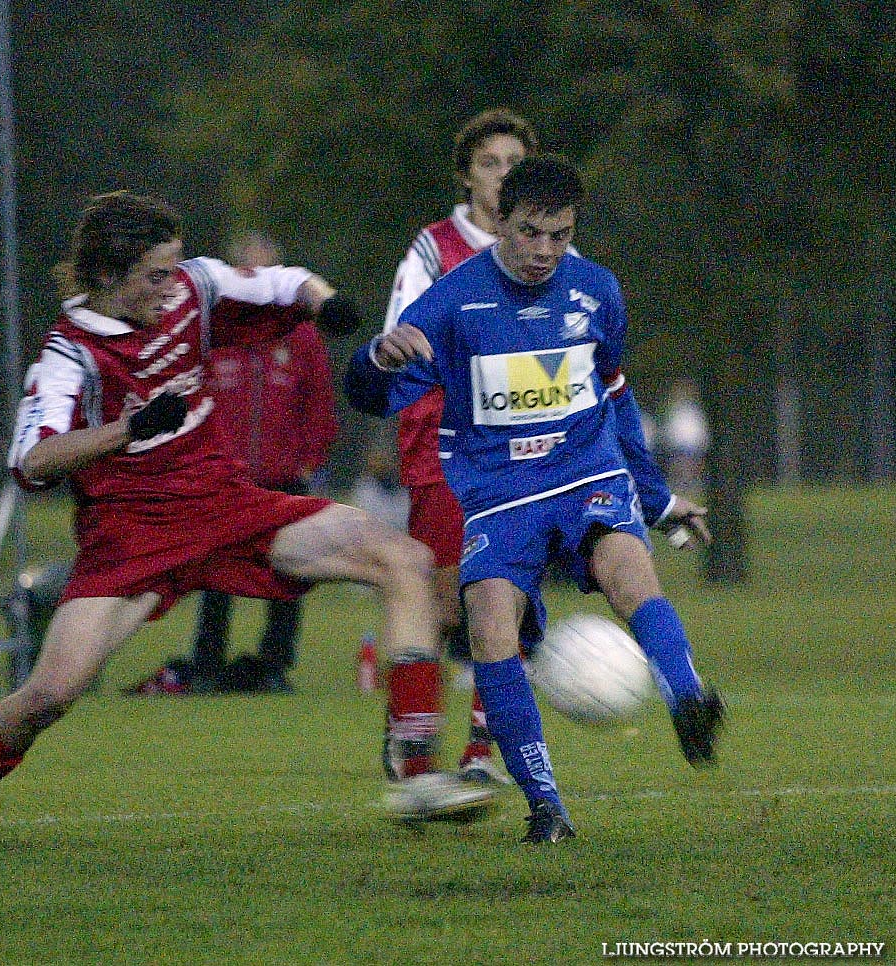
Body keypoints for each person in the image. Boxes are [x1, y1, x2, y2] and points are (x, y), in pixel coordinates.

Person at [0, 190, 494, 865]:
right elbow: (33, 460)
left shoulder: (192, 286)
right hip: (130, 537)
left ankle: (413, 773)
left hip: (224, 504)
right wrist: (127, 429)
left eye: (173, 268)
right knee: (49, 695)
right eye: (153, 274)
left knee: (401, 559)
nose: (170, 285)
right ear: (108, 278)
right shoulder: (69, 353)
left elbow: (284, 282)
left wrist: (329, 305)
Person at [346, 155, 724, 844]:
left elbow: (614, 394)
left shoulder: (596, 290)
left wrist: (656, 499)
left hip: (586, 475)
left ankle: (686, 693)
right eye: (529, 233)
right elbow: (373, 396)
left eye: (559, 234)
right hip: (496, 496)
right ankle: (546, 807)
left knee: (625, 571)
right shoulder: (451, 303)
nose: (544, 251)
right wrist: (375, 360)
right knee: (489, 622)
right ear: (499, 222)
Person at [381, 108, 546, 787]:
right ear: (466, 176)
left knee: (501, 593)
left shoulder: (542, 250)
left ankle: (483, 752)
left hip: (521, 447)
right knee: (444, 600)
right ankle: (407, 739)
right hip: (443, 445)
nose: (501, 176)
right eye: (489, 164)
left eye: (513, 164)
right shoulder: (433, 249)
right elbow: (401, 340)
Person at [188, 232, 338, 694]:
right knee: (217, 572)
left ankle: (274, 665)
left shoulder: (301, 334)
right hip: (225, 475)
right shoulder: (213, 331)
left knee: (291, 572)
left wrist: (311, 459)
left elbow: (318, 403)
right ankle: (207, 665)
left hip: (284, 477)